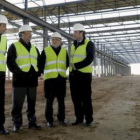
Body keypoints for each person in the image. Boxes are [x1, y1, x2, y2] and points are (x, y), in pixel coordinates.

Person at [7, 25, 41, 132]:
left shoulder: (34, 48)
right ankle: (17, 124)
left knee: (31, 103)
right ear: (21, 35)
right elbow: (10, 62)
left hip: (32, 80)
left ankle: (32, 122)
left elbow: (39, 63)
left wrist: (37, 73)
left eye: (30, 33)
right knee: (17, 103)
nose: (29, 35)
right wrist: (20, 73)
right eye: (27, 33)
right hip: (20, 80)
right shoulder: (14, 46)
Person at [40, 32, 69, 127]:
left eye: (57, 39)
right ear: (50, 41)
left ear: (60, 41)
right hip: (49, 80)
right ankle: (49, 120)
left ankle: (61, 119)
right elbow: (41, 64)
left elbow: (67, 63)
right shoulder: (46, 50)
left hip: (61, 79)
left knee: (61, 101)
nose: (55, 41)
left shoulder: (64, 51)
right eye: (53, 39)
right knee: (49, 101)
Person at [69, 23, 95, 126]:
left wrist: (76, 66)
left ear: (82, 33)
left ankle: (88, 119)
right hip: (74, 75)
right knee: (75, 98)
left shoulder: (89, 44)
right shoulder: (73, 44)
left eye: (75, 32)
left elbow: (89, 58)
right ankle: (79, 118)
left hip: (84, 75)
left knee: (86, 98)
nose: (74, 34)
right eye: (73, 32)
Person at [0, 15, 9, 135]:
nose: (5, 28)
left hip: (1, 74)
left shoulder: (4, 40)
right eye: (3, 26)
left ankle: (0, 126)